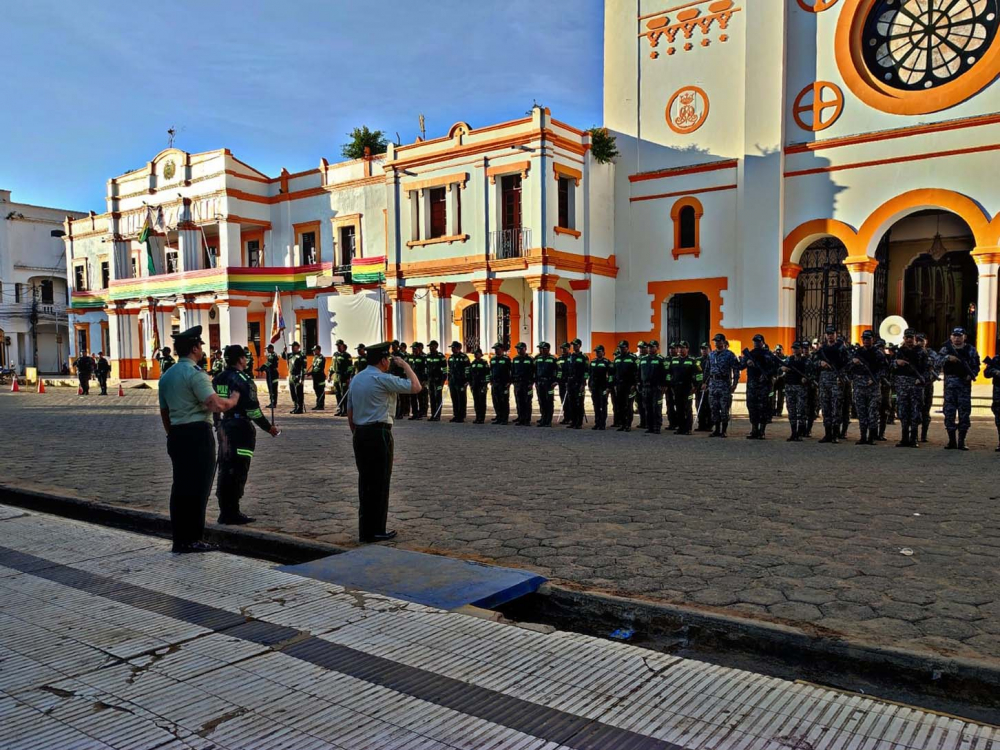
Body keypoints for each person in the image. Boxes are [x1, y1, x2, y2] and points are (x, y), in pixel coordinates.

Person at [158, 326, 239, 553]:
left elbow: (164, 411)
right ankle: (193, 538)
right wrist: (232, 401)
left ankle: (180, 538)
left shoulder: (167, 376)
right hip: (198, 434)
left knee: (180, 486)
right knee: (199, 487)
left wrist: (171, 433)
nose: (202, 349)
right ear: (194, 348)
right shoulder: (195, 374)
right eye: (201, 345)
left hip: (176, 434)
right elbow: (214, 404)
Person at [347, 342, 421, 543]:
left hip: (360, 433)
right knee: (379, 483)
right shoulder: (382, 379)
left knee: (366, 482)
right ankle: (376, 530)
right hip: (379, 433)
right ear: (382, 360)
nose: (389, 361)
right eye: (387, 358)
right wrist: (405, 366)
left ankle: (366, 529)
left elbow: (350, 412)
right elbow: (416, 387)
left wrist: (357, 432)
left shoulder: (357, 379)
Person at [212, 344, 280, 525]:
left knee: (225, 467)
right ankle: (232, 511)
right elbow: (253, 411)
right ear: (241, 359)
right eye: (245, 357)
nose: (246, 360)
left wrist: (217, 423)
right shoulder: (244, 380)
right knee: (238, 468)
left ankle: (225, 510)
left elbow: (215, 405)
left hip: (224, 426)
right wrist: (269, 428)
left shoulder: (219, 377)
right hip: (241, 429)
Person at [939, 326, 980, 450]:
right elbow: (936, 362)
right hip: (949, 388)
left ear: (964, 337)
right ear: (951, 337)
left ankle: (961, 441)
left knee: (964, 414)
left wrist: (971, 374)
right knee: (949, 413)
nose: (957, 338)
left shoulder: (971, 350)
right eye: (955, 336)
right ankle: (952, 441)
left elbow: (976, 366)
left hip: (964, 388)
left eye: (960, 336)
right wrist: (947, 358)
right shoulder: (946, 349)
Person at [849, 330, 886, 446]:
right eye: (864, 339)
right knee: (861, 412)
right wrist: (853, 362)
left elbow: (884, 369)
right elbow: (848, 368)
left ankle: (871, 437)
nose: (866, 341)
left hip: (873, 386)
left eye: (868, 339)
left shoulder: (878, 353)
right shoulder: (857, 352)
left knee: (872, 413)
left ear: (872, 339)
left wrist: (875, 378)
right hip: (859, 386)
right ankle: (863, 436)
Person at [813, 326, 849, 444]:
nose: (830, 336)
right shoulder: (822, 348)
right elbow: (812, 362)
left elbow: (847, 364)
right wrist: (820, 362)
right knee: (826, 407)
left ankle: (835, 434)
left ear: (835, 334)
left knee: (836, 407)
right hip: (824, 380)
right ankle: (827, 434)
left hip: (836, 380)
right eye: (828, 334)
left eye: (832, 333)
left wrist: (841, 377)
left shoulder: (841, 348)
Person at [893, 329, 927, 448]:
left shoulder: (921, 352)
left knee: (915, 411)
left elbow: (927, 369)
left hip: (915, 386)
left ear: (914, 339)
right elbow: (891, 366)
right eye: (907, 337)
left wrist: (921, 378)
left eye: (911, 338)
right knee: (902, 411)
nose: (908, 340)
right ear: (904, 338)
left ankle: (914, 438)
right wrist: (897, 362)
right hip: (902, 385)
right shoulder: (899, 351)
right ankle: (904, 438)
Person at [740, 334, 778, 439]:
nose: (756, 343)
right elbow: (740, 366)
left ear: (763, 342)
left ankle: (762, 431)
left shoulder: (768, 354)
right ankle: (754, 430)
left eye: (758, 341)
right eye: (755, 341)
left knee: (763, 407)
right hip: (752, 384)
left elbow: (775, 369)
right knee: (752, 406)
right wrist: (747, 362)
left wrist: (766, 374)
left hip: (764, 385)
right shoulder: (749, 354)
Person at [705, 334, 740, 438]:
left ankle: (724, 430)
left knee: (724, 408)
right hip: (713, 384)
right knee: (714, 407)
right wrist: (704, 382)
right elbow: (707, 370)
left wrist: (735, 384)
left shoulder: (730, 355)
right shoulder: (711, 355)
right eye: (715, 341)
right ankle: (716, 429)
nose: (716, 343)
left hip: (724, 384)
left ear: (724, 342)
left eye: (719, 341)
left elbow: (736, 370)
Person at [667, 341, 702, 435]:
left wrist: (696, 386)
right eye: (679, 348)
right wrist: (670, 384)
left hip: (688, 389)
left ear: (687, 349)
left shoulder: (692, 361)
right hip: (677, 388)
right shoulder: (673, 360)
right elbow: (669, 374)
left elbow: (699, 374)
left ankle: (688, 428)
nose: (680, 350)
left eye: (683, 348)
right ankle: (680, 428)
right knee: (679, 408)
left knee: (687, 408)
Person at [781, 341, 812, 441]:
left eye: (797, 348)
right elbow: (779, 369)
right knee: (791, 411)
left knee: (801, 411)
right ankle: (793, 432)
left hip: (800, 388)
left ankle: (800, 432)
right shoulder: (789, 359)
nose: (795, 350)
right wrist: (783, 368)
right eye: (793, 348)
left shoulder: (806, 361)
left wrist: (806, 378)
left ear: (801, 349)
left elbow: (813, 373)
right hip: (789, 387)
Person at [639, 340, 667, 434]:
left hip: (656, 388)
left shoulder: (661, 359)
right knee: (647, 407)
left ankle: (657, 426)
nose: (650, 348)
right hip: (645, 387)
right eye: (649, 347)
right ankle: (650, 426)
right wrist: (638, 384)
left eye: (652, 347)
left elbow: (665, 373)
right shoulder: (643, 359)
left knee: (656, 407)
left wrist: (664, 385)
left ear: (657, 348)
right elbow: (639, 373)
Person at [915, 334, 939, 443]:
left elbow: (936, 368)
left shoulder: (931, 353)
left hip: (927, 386)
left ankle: (924, 435)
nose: (919, 343)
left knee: (926, 410)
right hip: (914, 386)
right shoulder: (911, 352)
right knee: (914, 411)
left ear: (926, 341)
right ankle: (913, 435)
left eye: (921, 340)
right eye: (917, 340)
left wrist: (929, 378)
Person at [613, 340, 638, 432]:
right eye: (620, 347)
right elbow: (614, 373)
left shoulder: (633, 358)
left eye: (623, 347)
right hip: (619, 385)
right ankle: (622, 424)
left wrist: (634, 384)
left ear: (627, 348)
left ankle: (628, 424)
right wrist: (614, 384)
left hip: (629, 385)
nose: (621, 349)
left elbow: (637, 372)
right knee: (620, 405)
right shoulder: (617, 358)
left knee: (628, 405)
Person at [565, 339, 589, 429]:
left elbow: (586, 371)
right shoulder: (571, 356)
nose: (574, 347)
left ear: (579, 345)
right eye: (573, 345)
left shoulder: (584, 357)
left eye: (575, 345)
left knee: (579, 403)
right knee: (572, 403)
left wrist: (583, 384)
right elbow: (568, 369)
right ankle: (573, 421)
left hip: (579, 383)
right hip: (571, 382)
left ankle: (579, 422)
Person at [588, 344, 613, 430]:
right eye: (596, 352)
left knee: (603, 404)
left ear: (603, 352)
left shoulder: (607, 362)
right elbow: (590, 375)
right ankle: (597, 422)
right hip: (594, 387)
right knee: (596, 405)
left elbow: (610, 376)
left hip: (603, 387)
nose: (597, 353)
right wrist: (589, 385)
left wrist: (608, 387)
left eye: (599, 352)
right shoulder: (593, 362)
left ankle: (602, 423)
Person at [534, 342, 559, 427]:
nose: (541, 350)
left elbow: (559, 371)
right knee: (542, 401)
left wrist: (556, 381)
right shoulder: (538, 358)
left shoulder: (553, 359)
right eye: (540, 348)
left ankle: (548, 421)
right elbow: (534, 371)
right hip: (540, 383)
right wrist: (535, 381)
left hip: (549, 384)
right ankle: (543, 419)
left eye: (543, 348)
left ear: (547, 349)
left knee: (549, 402)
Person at [511, 342, 534, 426]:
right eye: (517, 349)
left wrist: (531, 383)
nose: (519, 350)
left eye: (520, 349)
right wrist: (513, 381)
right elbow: (512, 371)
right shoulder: (515, 359)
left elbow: (533, 372)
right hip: (518, 383)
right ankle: (521, 418)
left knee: (527, 401)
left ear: (525, 349)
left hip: (527, 384)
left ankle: (527, 420)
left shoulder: (530, 359)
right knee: (519, 401)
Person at [447, 341, 470, 423]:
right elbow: (449, 370)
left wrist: (466, 381)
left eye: (454, 347)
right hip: (453, 381)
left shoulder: (464, 357)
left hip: (461, 381)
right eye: (452, 348)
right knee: (454, 398)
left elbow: (467, 369)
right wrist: (449, 380)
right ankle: (456, 415)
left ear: (459, 348)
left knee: (461, 399)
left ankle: (461, 416)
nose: (452, 349)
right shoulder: (451, 358)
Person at [489, 343, 512, 425]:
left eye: (497, 349)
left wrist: (509, 382)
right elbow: (490, 371)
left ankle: (504, 418)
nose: (496, 351)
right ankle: (499, 417)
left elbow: (511, 371)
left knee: (504, 401)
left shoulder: (506, 359)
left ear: (502, 349)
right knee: (496, 401)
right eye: (495, 349)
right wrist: (491, 380)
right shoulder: (493, 359)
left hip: (504, 384)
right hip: (495, 383)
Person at [329, 340, 353, 416]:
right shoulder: (335, 354)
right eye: (337, 345)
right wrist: (329, 375)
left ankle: (345, 410)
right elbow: (332, 366)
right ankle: (340, 409)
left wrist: (348, 378)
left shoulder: (347, 356)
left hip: (343, 376)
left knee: (344, 394)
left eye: (339, 345)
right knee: (337, 393)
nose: (338, 347)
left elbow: (350, 368)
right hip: (336, 376)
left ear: (343, 346)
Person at [425, 340, 447, 421]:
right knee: (432, 398)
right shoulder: (428, 356)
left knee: (438, 398)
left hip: (438, 381)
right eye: (430, 346)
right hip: (430, 380)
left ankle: (437, 415)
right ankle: (433, 415)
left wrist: (443, 381)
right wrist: (426, 379)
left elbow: (444, 370)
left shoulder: (441, 356)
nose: (430, 348)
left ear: (436, 346)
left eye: (432, 346)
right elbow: (426, 368)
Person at [283, 341, 307, 414]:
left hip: (297, 376)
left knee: (298, 393)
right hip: (291, 376)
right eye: (292, 347)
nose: (293, 348)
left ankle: (300, 408)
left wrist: (302, 378)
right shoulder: (291, 355)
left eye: (294, 346)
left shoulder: (301, 355)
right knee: (293, 393)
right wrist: (285, 351)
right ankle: (295, 406)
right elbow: (284, 357)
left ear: (298, 347)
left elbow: (304, 368)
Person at [469, 348, 491, 424]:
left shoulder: (484, 363)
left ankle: (482, 418)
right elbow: (470, 375)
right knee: (476, 402)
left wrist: (485, 385)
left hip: (482, 385)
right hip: (475, 385)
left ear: (480, 354)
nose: (475, 355)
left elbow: (487, 374)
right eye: (474, 353)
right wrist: (471, 384)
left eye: (477, 353)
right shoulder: (473, 363)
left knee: (482, 402)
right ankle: (477, 417)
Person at [408, 342, 428, 419]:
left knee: (421, 397)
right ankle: (415, 413)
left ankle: (421, 413)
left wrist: (424, 381)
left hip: (420, 380)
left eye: (415, 348)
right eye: (413, 348)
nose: (413, 350)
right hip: (412, 380)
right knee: (413, 398)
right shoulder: (410, 357)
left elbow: (425, 370)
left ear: (419, 349)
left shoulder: (423, 357)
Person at [984, 353, 1000, 451]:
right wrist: (996, 372)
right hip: (998, 393)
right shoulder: (996, 359)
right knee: (999, 417)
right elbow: (986, 373)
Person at [696, 343, 713, 431]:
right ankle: (701, 425)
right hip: (699, 386)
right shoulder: (697, 360)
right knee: (699, 405)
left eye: (706, 349)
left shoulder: (712, 359)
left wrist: (707, 383)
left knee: (709, 406)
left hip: (709, 385)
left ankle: (709, 425)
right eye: (702, 349)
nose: (704, 351)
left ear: (710, 349)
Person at [258, 344, 280, 409]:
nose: (267, 350)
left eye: (268, 349)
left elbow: (268, 363)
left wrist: (261, 368)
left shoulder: (273, 355)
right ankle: (272, 402)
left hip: (273, 374)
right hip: (270, 373)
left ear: (271, 349)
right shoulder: (270, 355)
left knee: (273, 389)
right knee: (270, 389)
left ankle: (274, 403)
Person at [635, 341, 649, 429]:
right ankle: (642, 422)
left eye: (643, 347)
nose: (641, 349)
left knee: (647, 404)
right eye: (639, 347)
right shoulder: (635, 357)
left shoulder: (649, 358)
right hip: (638, 384)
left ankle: (649, 422)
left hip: (647, 385)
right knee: (639, 404)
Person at [556, 343, 571, 424]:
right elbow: (558, 371)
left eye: (565, 348)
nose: (563, 350)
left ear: (569, 348)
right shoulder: (559, 359)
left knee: (570, 400)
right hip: (562, 382)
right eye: (562, 348)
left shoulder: (572, 358)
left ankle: (572, 417)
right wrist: (558, 380)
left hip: (570, 382)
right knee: (563, 400)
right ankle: (566, 417)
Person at [309, 345, 327, 410]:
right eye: (313, 350)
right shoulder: (315, 358)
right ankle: (318, 404)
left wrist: (310, 373)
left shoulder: (322, 358)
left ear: (319, 350)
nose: (313, 351)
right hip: (315, 377)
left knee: (321, 391)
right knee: (316, 390)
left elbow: (319, 368)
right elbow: (314, 367)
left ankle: (321, 405)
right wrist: (310, 372)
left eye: (315, 350)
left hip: (320, 377)